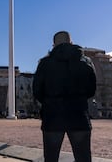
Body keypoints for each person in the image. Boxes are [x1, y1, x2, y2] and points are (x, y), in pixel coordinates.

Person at [33, 31, 97, 162]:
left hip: (52, 116)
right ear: (71, 42)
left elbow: (37, 90)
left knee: (51, 158)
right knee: (83, 157)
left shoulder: (45, 64)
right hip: (78, 114)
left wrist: (48, 101)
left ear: (53, 45)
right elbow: (91, 89)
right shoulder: (85, 62)